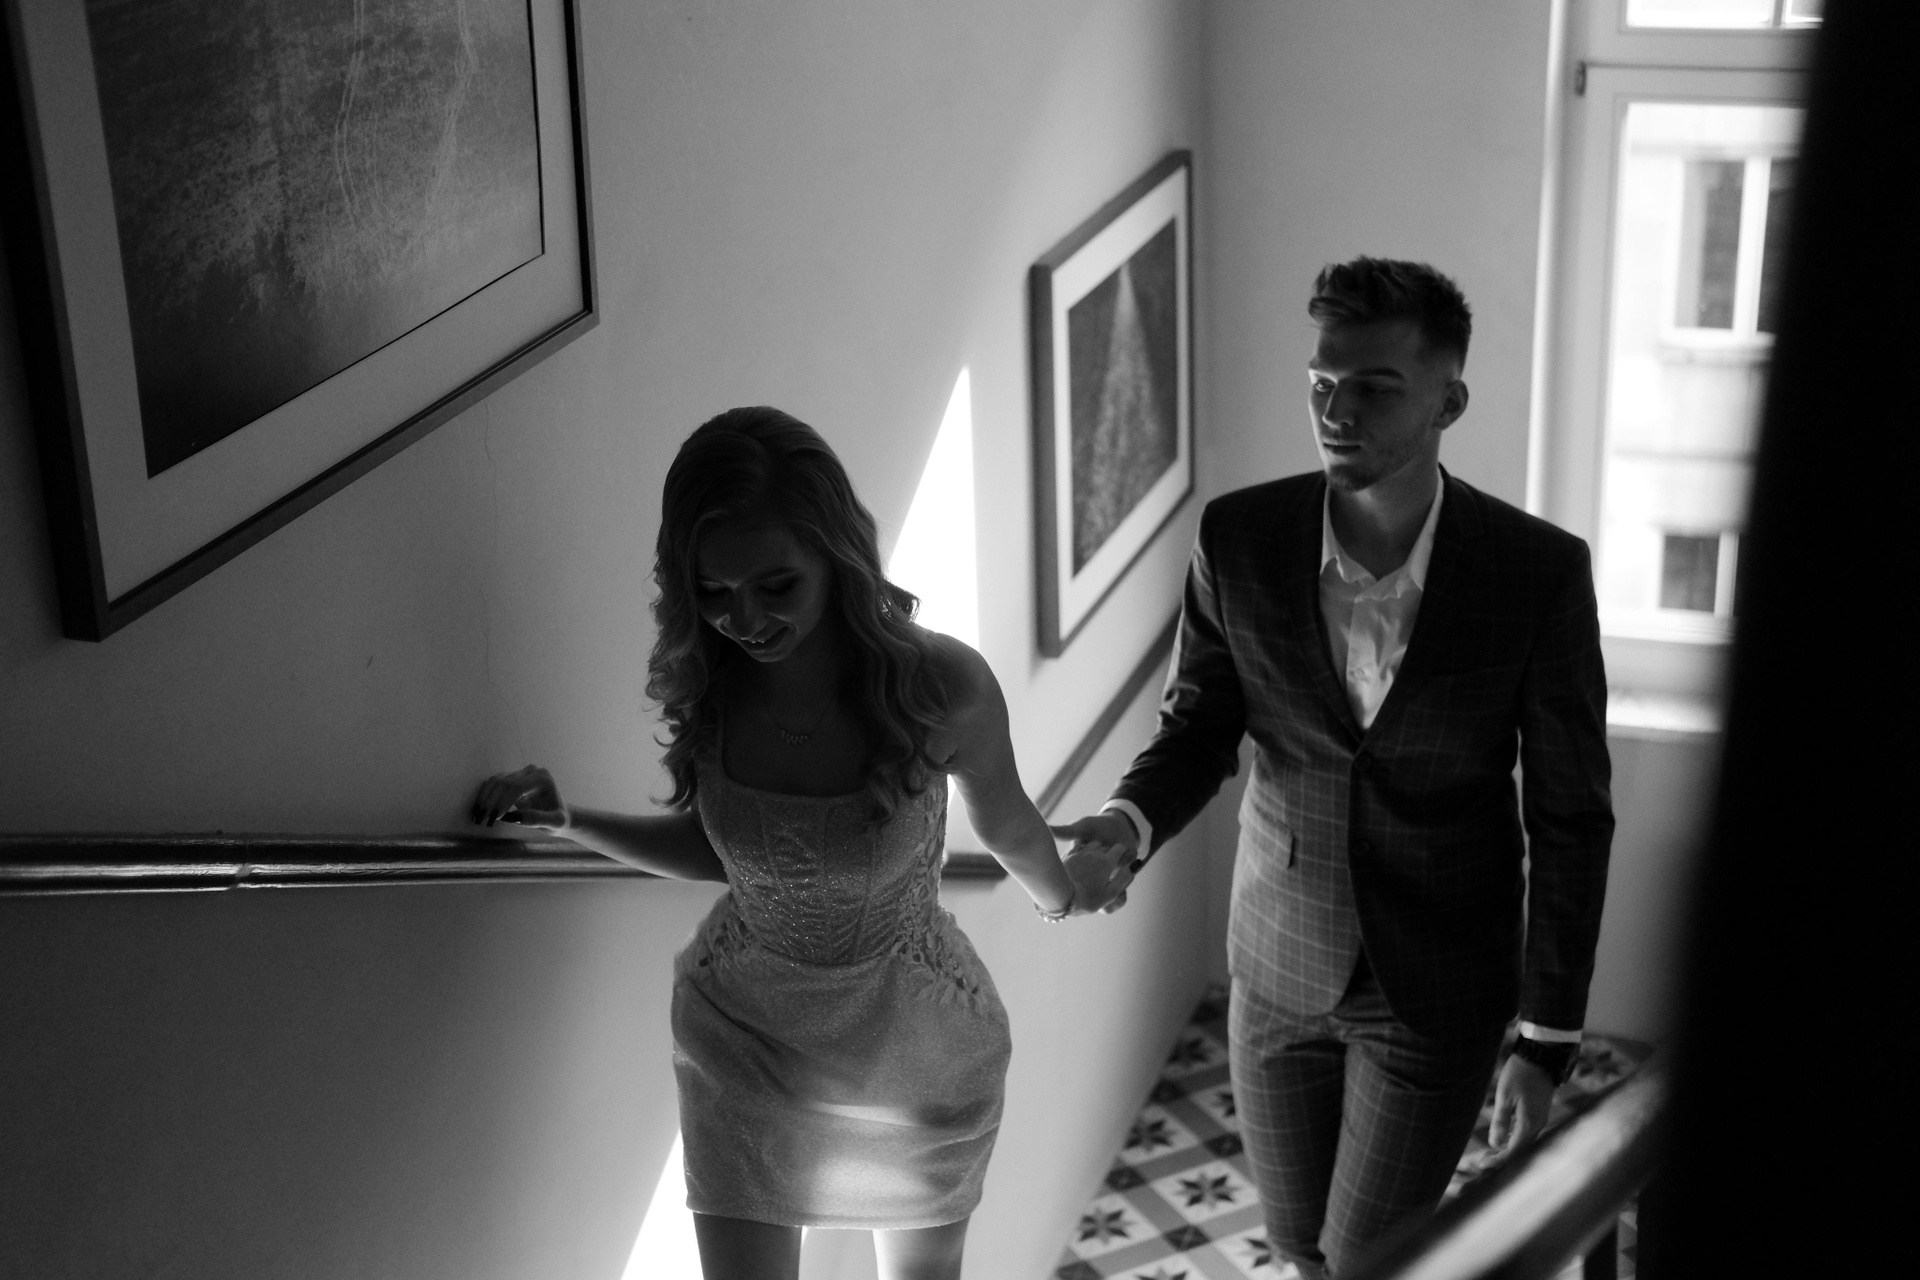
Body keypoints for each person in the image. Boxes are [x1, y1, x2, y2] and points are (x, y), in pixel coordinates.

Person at [1052, 258, 1614, 1279]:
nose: (1337, 411)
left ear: (1449, 401)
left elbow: (1571, 815)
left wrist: (1546, 1037)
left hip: (1436, 984)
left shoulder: (1537, 572)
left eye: (1374, 387)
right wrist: (1127, 824)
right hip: (1276, 962)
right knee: (1294, 1243)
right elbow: (1199, 726)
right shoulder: (1240, 538)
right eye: (1322, 382)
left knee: (1367, 1259)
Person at [471, 407, 1077, 1280]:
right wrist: (571, 821)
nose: (744, 619)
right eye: (714, 593)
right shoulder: (712, 688)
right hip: (744, 1038)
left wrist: (1063, 895)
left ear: (837, 554)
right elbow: (723, 852)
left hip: (908, 1045)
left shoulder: (940, 687)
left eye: (777, 585)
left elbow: (1009, 822)